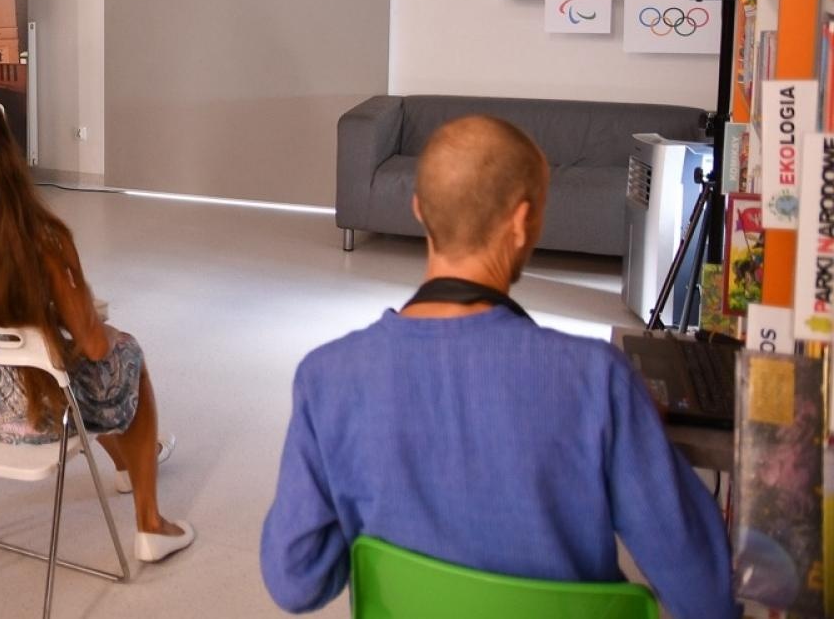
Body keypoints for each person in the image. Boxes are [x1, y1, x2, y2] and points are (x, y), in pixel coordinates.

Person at [259, 116, 735, 619]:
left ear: (419, 210)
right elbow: (705, 593)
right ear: (522, 221)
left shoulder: (327, 377)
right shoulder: (598, 379)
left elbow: (295, 581)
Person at [0, 86, 193, 563]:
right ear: (2, 156)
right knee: (123, 354)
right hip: (32, 414)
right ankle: (151, 523)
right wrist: (101, 327)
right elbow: (93, 346)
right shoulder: (40, 236)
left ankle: (128, 464)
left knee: (74, 368)